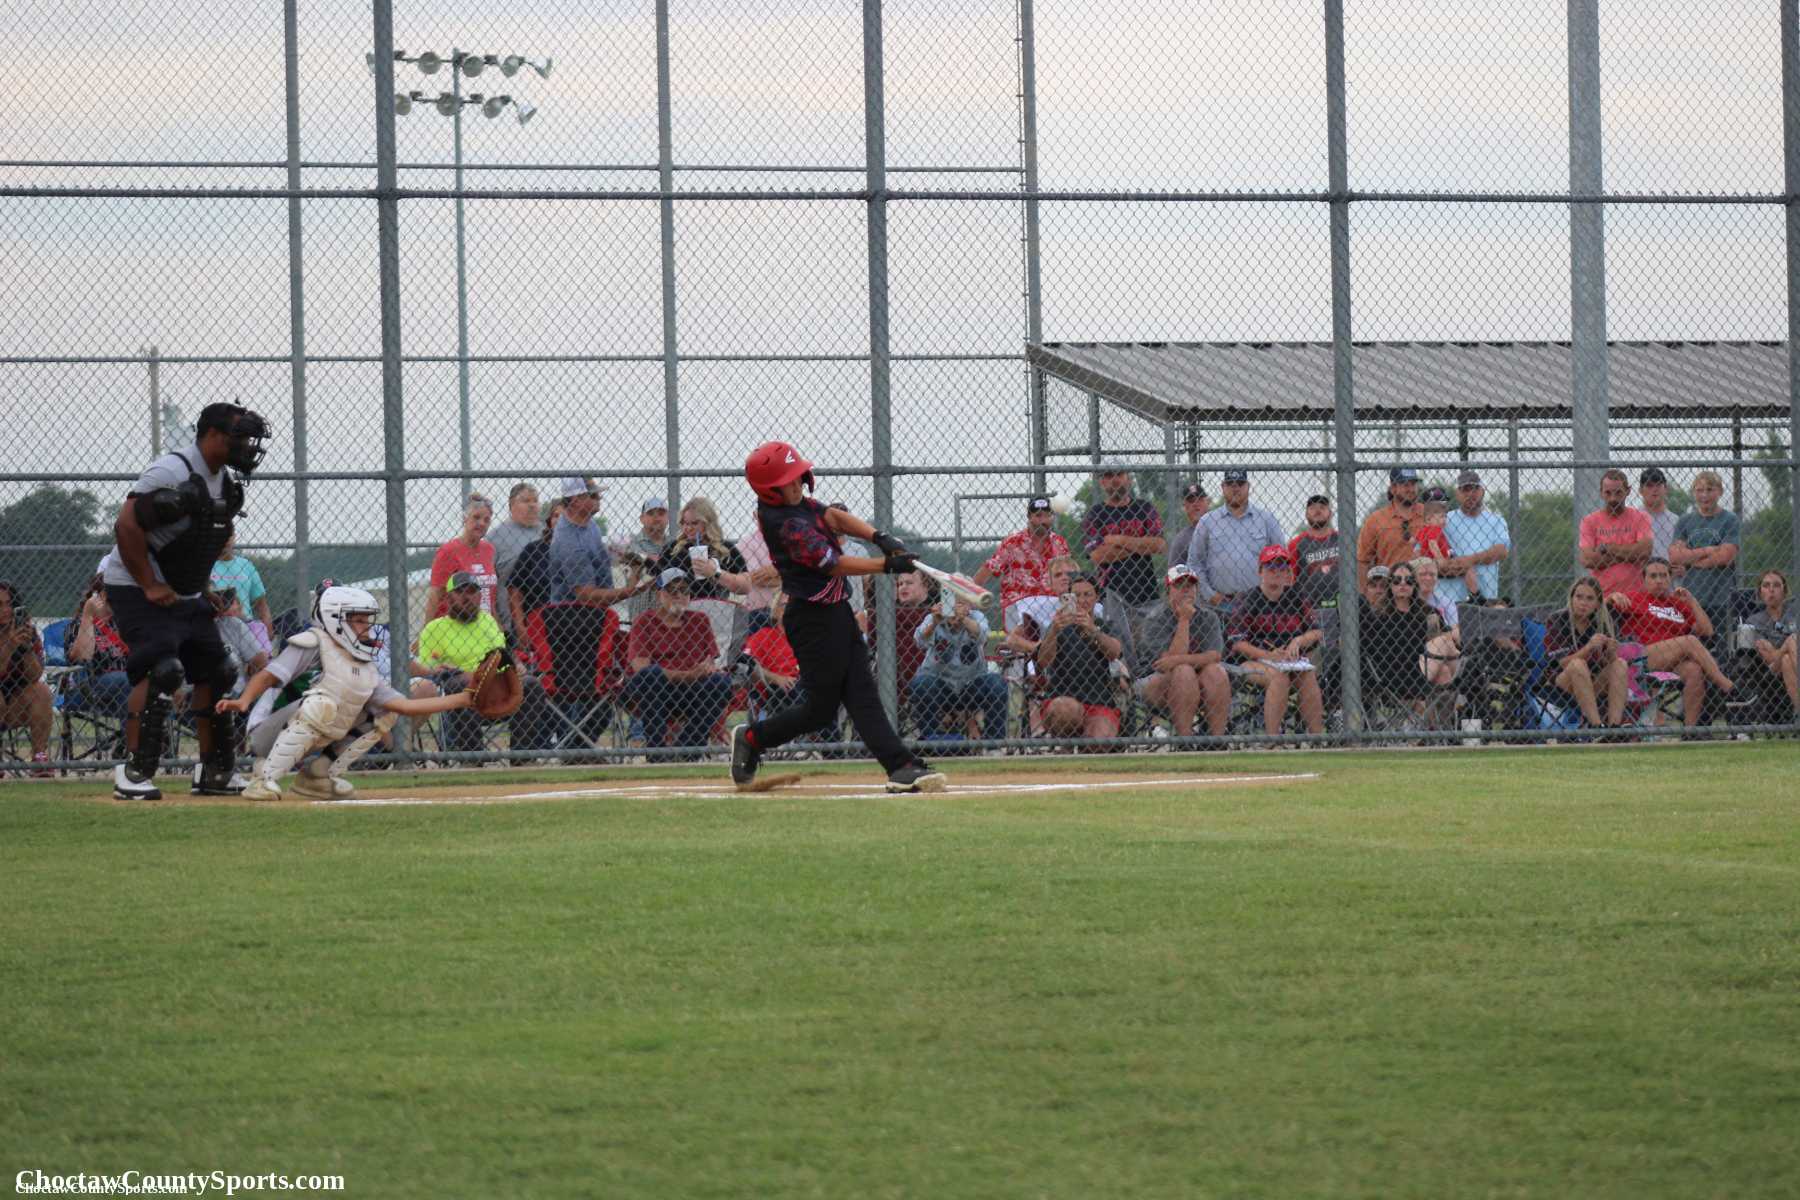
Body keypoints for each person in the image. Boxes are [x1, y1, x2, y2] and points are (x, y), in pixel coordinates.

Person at [729, 441, 944, 793]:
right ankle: (753, 737)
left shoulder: (797, 504)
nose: (797, 484)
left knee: (861, 693)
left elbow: (831, 516)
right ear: (770, 490)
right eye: (788, 480)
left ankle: (901, 766)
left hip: (836, 611)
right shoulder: (784, 524)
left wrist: (879, 536)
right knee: (820, 711)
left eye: (798, 476)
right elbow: (834, 565)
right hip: (810, 620)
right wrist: (887, 565)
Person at [100, 400, 270, 799]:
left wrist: (203, 588)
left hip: (184, 589)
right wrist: (148, 584)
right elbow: (126, 526)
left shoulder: (222, 481)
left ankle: (214, 770)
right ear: (212, 435)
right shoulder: (171, 471)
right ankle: (134, 772)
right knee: (163, 669)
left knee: (219, 669)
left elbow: (200, 542)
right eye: (239, 437)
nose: (246, 446)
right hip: (135, 585)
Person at [219, 585, 474, 801]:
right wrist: (244, 701)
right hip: (266, 734)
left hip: (309, 735)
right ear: (336, 619)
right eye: (360, 621)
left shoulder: (363, 665)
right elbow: (267, 675)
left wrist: (464, 698)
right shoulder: (314, 642)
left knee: (381, 715)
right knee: (321, 704)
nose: (367, 628)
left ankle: (317, 776)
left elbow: (404, 707)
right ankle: (263, 778)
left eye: (367, 621)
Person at [410, 571, 546, 756]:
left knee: (531, 684)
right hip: (462, 692)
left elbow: (502, 655)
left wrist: (516, 665)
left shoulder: (488, 621)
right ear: (448, 597)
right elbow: (426, 671)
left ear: (480, 596)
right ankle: (473, 756)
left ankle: (522, 755)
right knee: (460, 684)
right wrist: (442, 670)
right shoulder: (435, 628)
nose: (467, 597)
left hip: (496, 688)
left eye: (472, 592)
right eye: (460, 592)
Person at [1606, 557, 1735, 727]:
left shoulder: (1678, 604)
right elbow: (1601, 610)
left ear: (1670, 578)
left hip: (1673, 662)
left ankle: (1690, 731)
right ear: (1644, 579)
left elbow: (1707, 631)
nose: (1659, 580)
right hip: (1642, 658)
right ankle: (1728, 688)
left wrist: (1692, 601)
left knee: (1694, 671)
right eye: (1653, 576)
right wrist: (1611, 598)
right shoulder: (1634, 598)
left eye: (1663, 575)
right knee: (1690, 641)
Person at [621, 568, 734, 756]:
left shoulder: (700, 620)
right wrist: (688, 675)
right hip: (654, 693)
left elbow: (709, 665)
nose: (679, 595)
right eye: (672, 590)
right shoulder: (644, 621)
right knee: (650, 676)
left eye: (684, 590)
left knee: (720, 682)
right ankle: (657, 752)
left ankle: (688, 751)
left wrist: (704, 672)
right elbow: (641, 668)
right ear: (659, 594)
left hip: (691, 691)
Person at [1226, 545, 1325, 737]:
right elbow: (1237, 643)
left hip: (1289, 661)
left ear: (1288, 572)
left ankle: (1317, 738)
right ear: (1260, 571)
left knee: (1308, 676)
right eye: (1270, 567)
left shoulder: (1296, 596)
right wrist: (1269, 655)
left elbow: (1317, 632)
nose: (1277, 572)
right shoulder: (1247, 599)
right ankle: (1272, 741)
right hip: (1251, 661)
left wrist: (1298, 641)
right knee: (1279, 677)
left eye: (1282, 567)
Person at [1135, 563, 1229, 740]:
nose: (1186, 590)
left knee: (1216, 671)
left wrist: (1178, 660)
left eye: (1190, 585)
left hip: (1198, 679)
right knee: (1183, 672)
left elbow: (1214, 656)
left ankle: (1217, 741)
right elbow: (1166, 664)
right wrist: (1184, 619)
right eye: (1179, 585)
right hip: (1156, 681)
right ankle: (1185, 741)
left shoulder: (1207, 616)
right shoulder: (1155, 619)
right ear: (1168, 590)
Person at [1035, 573, 1124, 743]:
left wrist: (1093, 630)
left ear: (1096, 597)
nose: (1082, 600)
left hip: (1098, 700)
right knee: (1065, 710)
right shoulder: (1059, 626)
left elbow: (1114, 653)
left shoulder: (1103, 625)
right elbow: (1043, 661)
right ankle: (1066, 747)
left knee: (1101, 742)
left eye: (1087, 594)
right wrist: (1054, 631)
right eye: (1076, 595)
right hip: (1062, 698)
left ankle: (1084, 745)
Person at [910, 591, 1008, 745]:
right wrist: (935, 623)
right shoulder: (933, 618)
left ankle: (993, 745)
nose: (955, 608)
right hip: (939, 684)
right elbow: (919, 641)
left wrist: (963, 618)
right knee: (921, 684)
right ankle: (930, 742)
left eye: (961, 604)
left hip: (971, 684)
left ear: (970, 605)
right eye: (951, 603)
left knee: (996, 684)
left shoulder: (977, 616)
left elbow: (983, 637)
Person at [1185, 468, 1285, 607]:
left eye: (1240, 483)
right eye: (1230, 484)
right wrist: (1210, 595)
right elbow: (1194, 563)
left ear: (1248, 486)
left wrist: (1272, 593)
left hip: (1259, 603)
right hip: (1220, 604)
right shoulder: (1207, 522)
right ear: (1223, 487)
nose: (1235, 488)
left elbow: (1282, 560)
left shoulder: (1266, 520)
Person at [974, 495, 1073, 633]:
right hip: (1019, 604)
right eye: (1038, 515)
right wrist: (970, 593)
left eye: (1047, 515)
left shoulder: (1059, 542)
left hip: (1050, 604)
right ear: (1029, 517)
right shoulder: (1013, 542)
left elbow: (1069, 576)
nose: (1043, 520)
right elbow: (989, 569)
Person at [1543, 576, 1632, 730]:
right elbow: (1560, 663)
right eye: (1579, 597)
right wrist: (1588, 647)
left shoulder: (1602, 621)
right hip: (1563, 683)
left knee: (1620, 664)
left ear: (1597, 604)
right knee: (1578, 664)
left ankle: (1615, 727)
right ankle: (1597, 727)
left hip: (1593, 683)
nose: (1583, 603)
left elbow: (1608, 665)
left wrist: (1611, 653)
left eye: (1590, 599)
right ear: (1571, 599)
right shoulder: (1558, 619)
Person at [1668, 470, 1740, 642]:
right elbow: (1675, 556)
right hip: (1692, 597)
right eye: (1699, 490)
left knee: (1721, 646)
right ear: (1694, 493)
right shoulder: (1685, 521)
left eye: (1709, 489)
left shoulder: (1729, 519)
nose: (1704, 495)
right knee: (1693, 644)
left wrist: (1691, 559)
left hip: (1721, 597)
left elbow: (1725, 556)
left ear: (1720, 491)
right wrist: (1708, 550)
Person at [551, 476, 645, 607]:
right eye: (593, 495)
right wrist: (630, 591)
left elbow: (600, 557)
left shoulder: (588, 522)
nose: (599, 497)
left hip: (593, 612)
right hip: (573, 615)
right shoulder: (570, 542)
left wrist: (627, 558)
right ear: (575, 500)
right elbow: (588, 597)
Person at [1082, 467, 1166, 608]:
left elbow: (1159, 545)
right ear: (1102, 482)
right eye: (1109, 475)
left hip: (1146, 591)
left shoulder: (1144, 507)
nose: (1115, 479)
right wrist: (1141, 546)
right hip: (1109, 593)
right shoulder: (1095, 514)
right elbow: (1098, 555)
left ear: (1129, 479)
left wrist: (1118, 540)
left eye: (1119, 474)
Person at [0, 581, 54, 775]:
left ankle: (39, 757)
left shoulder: (24, 630)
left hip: (15, 702)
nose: (5, 610)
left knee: (42, 691)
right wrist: (8, 646)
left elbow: (35, 675)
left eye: (9, 604)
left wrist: (25, 648)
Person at [650, 497, 747, 604]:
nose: (688, 528)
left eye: (694, 523)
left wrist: (715, 572)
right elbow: (657, 583)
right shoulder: (672, 548)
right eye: (685, 523)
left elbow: (746, 586)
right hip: (678, 608)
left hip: (714, 607)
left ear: (707, 523)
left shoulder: (724, 549)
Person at [1361, 563, 1433, 706]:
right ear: (1391, 586)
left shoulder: (1426, 612)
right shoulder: (1376, 617)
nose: (1403, 584)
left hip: (1426, 665)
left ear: (1415, 585)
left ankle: (1437, 719)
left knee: (1445, 666)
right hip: (1396, 674)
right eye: (1396, 580)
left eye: (1409, 580)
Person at [1437, 470, 1511, 605]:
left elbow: (1502, 551)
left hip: (1486, 598)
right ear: (1457, 494)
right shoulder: (1444, 520)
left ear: (1483, 491)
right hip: (1449, 600)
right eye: (1466, 489)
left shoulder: (1496, 520)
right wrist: (1448, 565)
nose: (1471, 493)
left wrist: (1469, 560)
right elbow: (1425, 549)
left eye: (1475, 488)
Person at [65, 575, 133, 721]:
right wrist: (88, 615)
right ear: (99, 596)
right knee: (126, 680)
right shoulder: (78, 624)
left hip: (125, 682)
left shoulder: (120, 623)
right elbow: (81, 657)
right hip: (89, 685)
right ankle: (131, 735)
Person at [425, 493, 500, 621]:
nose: (481, 523)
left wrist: (497, 625)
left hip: (483, 625)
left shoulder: (489, 550)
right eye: (476, 517)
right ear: (465, 518)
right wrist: (427, 629)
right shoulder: (448, 551)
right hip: (456, 624)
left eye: (486, 520)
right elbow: (435, 595)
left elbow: (489, 597)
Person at [1579, 469, 1653, 595]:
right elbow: (1588, 560)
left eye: (1618, 492)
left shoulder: (1641, 517)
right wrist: (1630, 555)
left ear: (1628, 491)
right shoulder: (1589, 521)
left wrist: (1608, 548)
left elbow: (1644, 551)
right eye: (1608, 493)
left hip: (1636, 595)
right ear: (1601, 493)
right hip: (1602, 596)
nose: (1613, 498)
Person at [488, 482, 542, 638]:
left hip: (545, 618)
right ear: (511, 505)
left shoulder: (546, 532)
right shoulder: (495, 538)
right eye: (526, 501)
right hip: (510, 620)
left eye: (535, 500)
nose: (532, 505)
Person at [1743, 569, 1798, 714]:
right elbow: (1770, 657)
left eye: (1776, 585)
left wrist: (1781, 650)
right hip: (1771, 670)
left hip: (1788, 663)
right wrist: (1788, 644)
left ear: (1784, 591)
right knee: (1792, 639)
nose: (1771, 590)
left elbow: (1776, 653)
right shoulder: (1754, 621)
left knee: (1787, 660)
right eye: (1766, 585)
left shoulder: (1795, 614)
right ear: (1760, 592)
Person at [507, 498, 563, 635]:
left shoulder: (578, 551)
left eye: (565, 516)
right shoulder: (533, 550)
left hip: (570, 627)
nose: (559, 520)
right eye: (556, 515)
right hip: (536, 625)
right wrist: (520, 626)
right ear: (549, 520)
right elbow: (514, 590)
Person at [210, 532, 273, 646]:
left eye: (228, 535)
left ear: (234, 537)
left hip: (246, 628)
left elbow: (262, 606)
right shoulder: (205, 566)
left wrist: (267, 637)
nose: (224, 539)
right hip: (216, 627)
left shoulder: (246, 565)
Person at [1357, 467, 1422, 578]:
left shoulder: (1427, 514)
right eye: (1406, 485)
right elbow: (1363, 561)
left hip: (1424, 584)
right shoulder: (1376, 520)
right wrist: (1365, 589)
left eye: (1413, 484)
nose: (1411, 489)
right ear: (1393, 488)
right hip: (1390, 584)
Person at [621, 496, 672, 622]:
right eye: (651, 513)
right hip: (641, 617)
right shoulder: (633, 545)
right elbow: (639, 577)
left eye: (661, 513)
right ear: (642, 519)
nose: (656, 518)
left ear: (668, 518)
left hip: (668, 617)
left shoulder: (673, 544)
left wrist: (650, 562)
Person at [1286, 493, 1342, 604]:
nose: (1318, 511)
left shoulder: (1343, 539)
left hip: (1342, 603)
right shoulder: (1295, 544)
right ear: (1306, 514)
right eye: (1312, 508)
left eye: (1322, 507)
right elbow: (1291, 579)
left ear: (1330, 514)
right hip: (1308, 606)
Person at [1164, 482, 1212, 572]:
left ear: (1207, 502)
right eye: (1191, 501)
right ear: (1185, 507)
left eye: (1200, 499)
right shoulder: (1181, 539)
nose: (1196, 504)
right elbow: (1173, 573)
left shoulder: (1221, 528)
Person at [1637, 467, 1679, 562]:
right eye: (1649, 485)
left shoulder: (1675, 520)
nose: (1654, 489)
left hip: (1668, 569)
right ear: (1640, 490)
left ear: (1666, 488)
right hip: (1640, 569)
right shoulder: (1633, 518)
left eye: (1658, 485)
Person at [1413, 486, 1453, 565]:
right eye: (1442, 516)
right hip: (1434, 561)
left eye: (1443, 503)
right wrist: (1440, 559)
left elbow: (1413, 540)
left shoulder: (1424, 528)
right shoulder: (1434, 528)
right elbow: (1432, 544)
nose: (1445, 519)